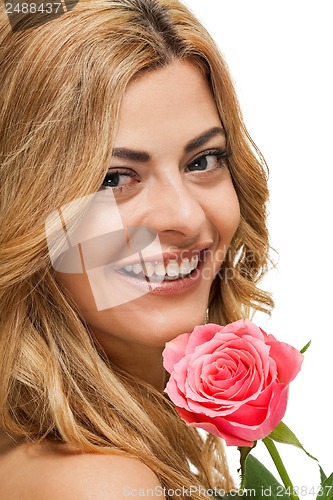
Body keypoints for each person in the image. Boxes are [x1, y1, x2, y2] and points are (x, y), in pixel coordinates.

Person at [0, 0, 274, 497]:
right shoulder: (100, 483)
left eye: (203, 159)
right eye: (114, 178)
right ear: (20, 207)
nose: (187, 218)